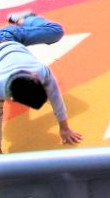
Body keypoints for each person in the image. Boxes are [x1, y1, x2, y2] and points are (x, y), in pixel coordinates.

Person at [0, 10, 83, 151]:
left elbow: (55, 96)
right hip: (5, 45)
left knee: (56, 31)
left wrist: (64, 128)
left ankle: (24, 19)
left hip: (9, 38)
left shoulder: (39, 71)